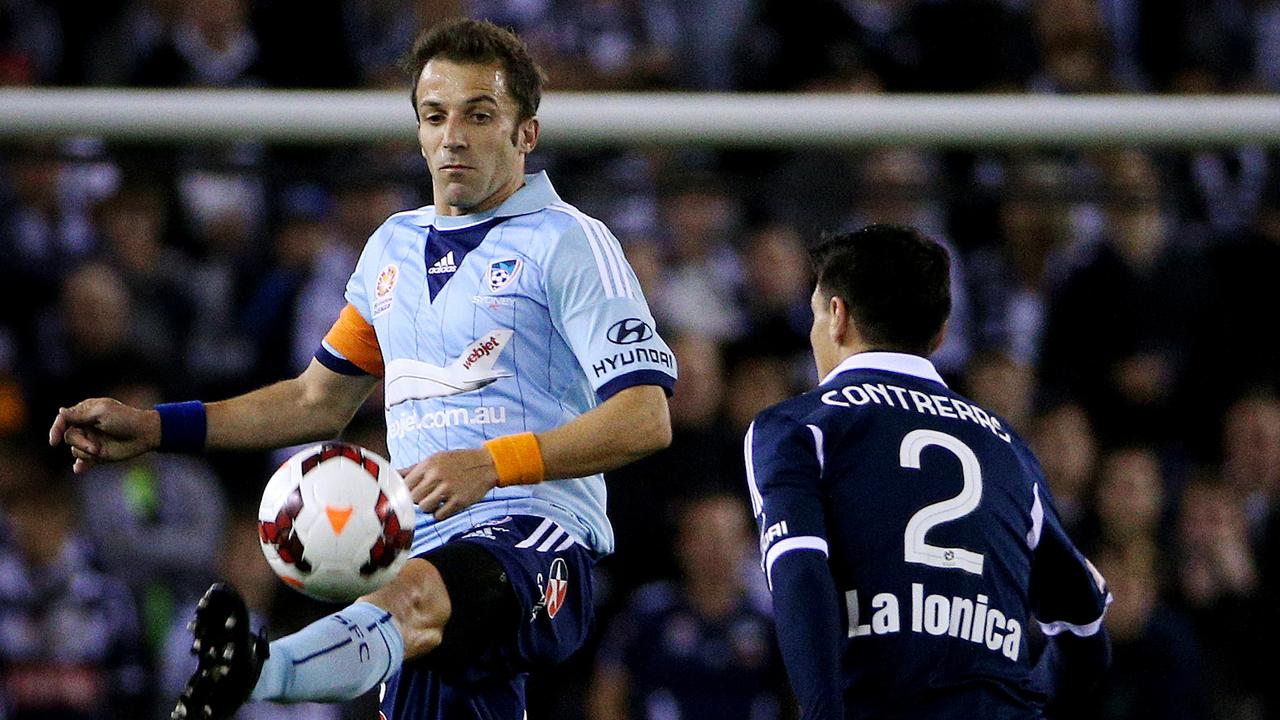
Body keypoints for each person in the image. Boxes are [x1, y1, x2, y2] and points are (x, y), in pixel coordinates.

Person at [49, 18, 676, 720]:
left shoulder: (570, 241)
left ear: (525, 133)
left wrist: (493, 464)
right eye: (435, 116)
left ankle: (260, 669)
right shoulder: (393, 249)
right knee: (420, 617)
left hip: (536, 533)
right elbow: (316, 401)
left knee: (416, 596)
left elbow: (645, 417)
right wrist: (156, 427)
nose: (454, 137)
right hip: (418, 550)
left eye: (480, 114)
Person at [743, 224, 1111, 719]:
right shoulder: (1007, 448)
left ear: (837, 316)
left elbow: (801, 574)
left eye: (814, 313)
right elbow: (1085, 626)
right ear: (938, 334)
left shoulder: (799, 427)